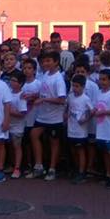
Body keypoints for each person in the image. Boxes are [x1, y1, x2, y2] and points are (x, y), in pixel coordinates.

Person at [28, 51, 68, 181]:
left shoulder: (58, 79)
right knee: (34, 135)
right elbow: (43, 93)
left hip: (54, 117)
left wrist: (44, 100)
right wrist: (33, 96)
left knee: (54, 142)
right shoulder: (45, 75)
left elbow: (61, 99)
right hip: (42, 115)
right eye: (44, 61)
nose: (45, 63)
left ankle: (52, 169)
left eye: (48, 61)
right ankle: (38, 166)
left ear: (56, 62)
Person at [66, 74, 93, 184]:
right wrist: (66, 115)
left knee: (80, 150)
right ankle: (76, 168)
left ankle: (82, 172)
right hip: (71, 128)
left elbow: (92, 111)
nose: (74, 88)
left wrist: (86, 119)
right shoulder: (70, 97)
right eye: (73, 86)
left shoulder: (86, 99)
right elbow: (68, 107)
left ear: (83, 87)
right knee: (73, 150)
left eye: (77, 86)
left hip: (81, 130)